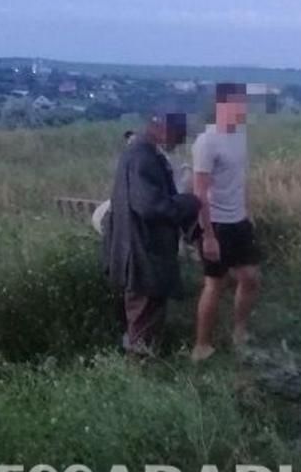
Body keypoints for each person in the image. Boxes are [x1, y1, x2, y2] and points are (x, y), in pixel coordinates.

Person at [102, 110, 200, 355]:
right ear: (162, 128)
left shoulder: (138, 153)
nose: (179, 142)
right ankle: (140, 374)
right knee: (144, 318)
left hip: (136, 248)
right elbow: (150, 207)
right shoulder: (143, 157)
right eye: (179, 135)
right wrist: (189, 202)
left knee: (142, 315)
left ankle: (140, 366)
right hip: (143, 251)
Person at [191, 83, 261, 362]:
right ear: (222, 106)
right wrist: (207, 235)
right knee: (214, 284)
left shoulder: (240, 135)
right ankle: (202, 346)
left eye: (244, 105)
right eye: (238, 105)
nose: (243, 110)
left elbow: (240, 179)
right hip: (216, 224)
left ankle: (239, 331)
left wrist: (247, 211)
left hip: (239, 220)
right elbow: (200, 193)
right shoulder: (207, 142)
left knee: (251, 278)